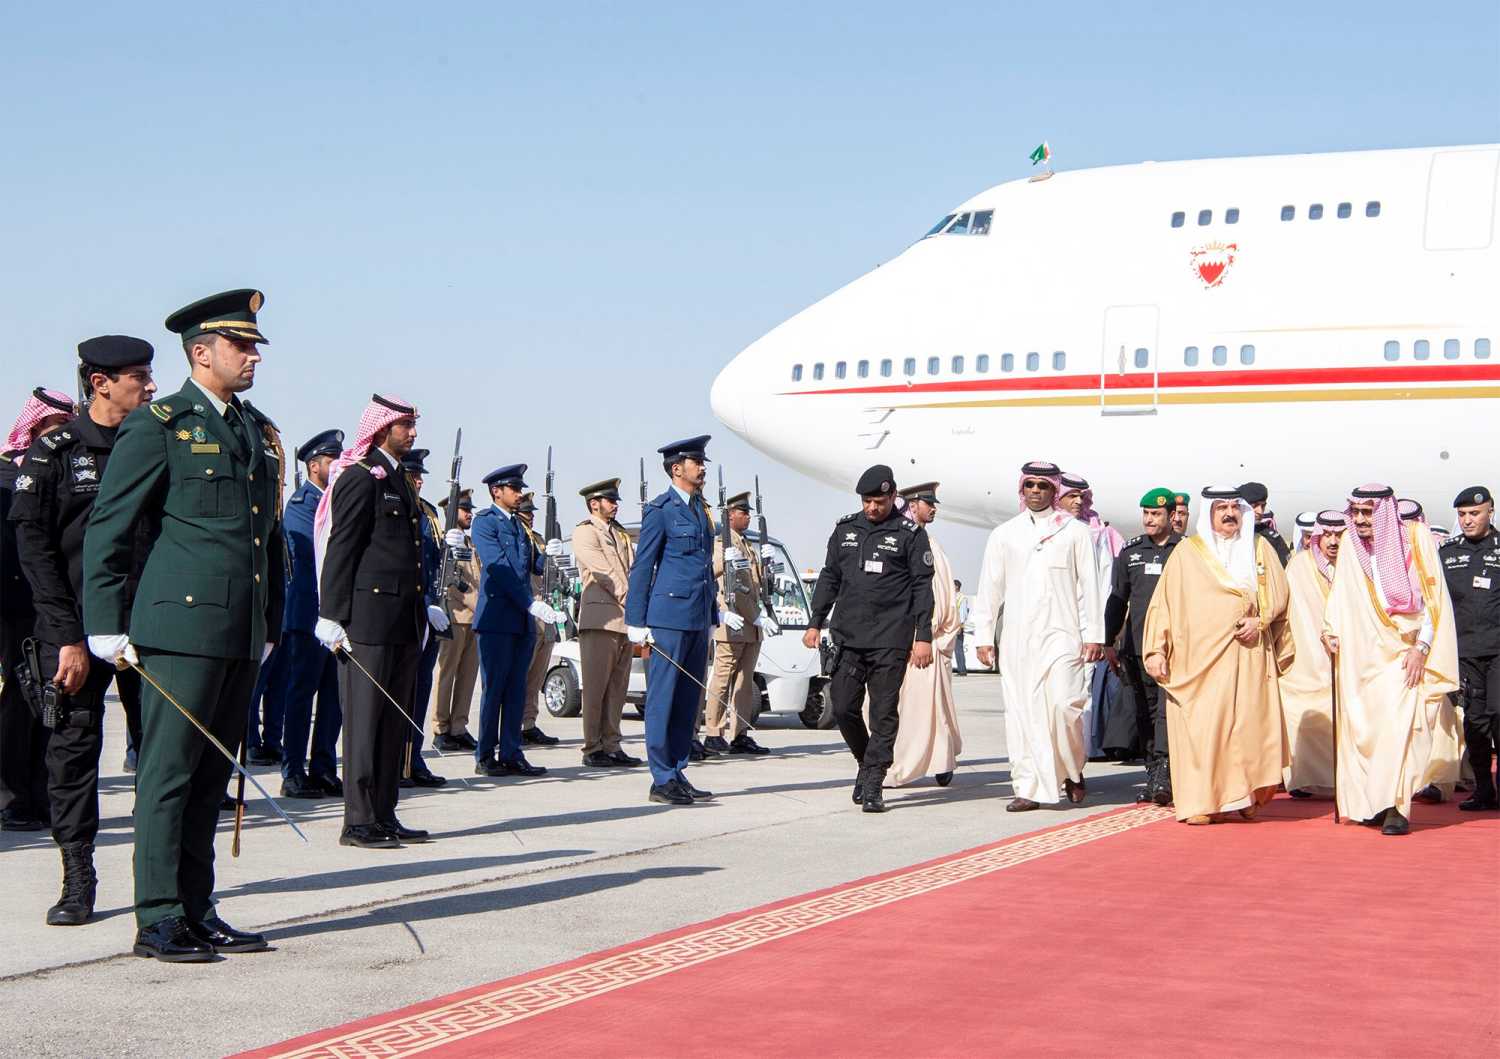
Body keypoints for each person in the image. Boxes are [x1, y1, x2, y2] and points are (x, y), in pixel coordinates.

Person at [83, 288, 283, 960]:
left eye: (253, 345)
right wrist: (104, 622)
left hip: (238, 630)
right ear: (201, 352)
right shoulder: (160, 423)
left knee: (209, 780)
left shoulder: (253, 429)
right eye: (240, 344)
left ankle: (198, 908)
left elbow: (265, 538)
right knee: (168, 776)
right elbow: (109, 526)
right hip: (180, 629)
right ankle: (158, 915)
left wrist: (271, 620)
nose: (253, 355)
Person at [9, 339, 155, 924]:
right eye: (138, 376)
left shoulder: (155, 443)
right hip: (73, 630)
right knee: (72, 755)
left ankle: (160, 879)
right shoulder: (56, 451)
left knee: (160, 756)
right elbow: (35, 550)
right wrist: (67, 635)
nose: (150, 386)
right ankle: (77, 878)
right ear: (101, 383)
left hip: (144, 628)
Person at [315, 393, 431, 849]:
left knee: (391, 724)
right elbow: (341, 548)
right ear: (382, 429)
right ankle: (358, 821)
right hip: (366, 621)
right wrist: (331, 615)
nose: (413, 433)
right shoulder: (361, 477)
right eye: (406, 426)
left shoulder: (397, 478)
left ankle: (384, 812)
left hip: (401, 619)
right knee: (364, 725)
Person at [1142, 487, 1293, 825]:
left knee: (1248, 728)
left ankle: (1246, 794)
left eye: (1234, 507)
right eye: (1221, 507)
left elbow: (1280, 595)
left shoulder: (1259, 548)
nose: (1229, 513)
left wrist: (1260, 620)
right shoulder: (1187, 554)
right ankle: (1202, 801)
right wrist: (1155, 649)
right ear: (1209, 513)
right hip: (1197, 661)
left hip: (1248, 656)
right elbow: (1163, 605)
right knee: (1203, 731)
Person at [1323, 485, 1459, 834]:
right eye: (1355, 513)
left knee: (1400, 730)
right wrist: (1330, 630)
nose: (1360, 520)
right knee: (1365, 730)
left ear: (1383, 512)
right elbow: (1340, 597)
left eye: (1367, 513)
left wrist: (1422, 647)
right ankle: (1374, 803)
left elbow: (1433, 598)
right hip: (1362, 657)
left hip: (1404, 652)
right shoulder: (1351, 546)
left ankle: (1398, 806)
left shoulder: (1414, 538)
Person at [972, 461, 1103, 812]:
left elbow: (1090, 587)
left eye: (1042, 486)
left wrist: (1094, 635)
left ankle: (1072, 768)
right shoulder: (1005, 534)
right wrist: (984, 635)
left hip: (1064, 634)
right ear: (1022, 488)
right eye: (1029, 485)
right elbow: (990, 589)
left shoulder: (1075, 531)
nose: (1035, 491)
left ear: (1054, 490)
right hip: (1018, 638)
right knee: (1021, 713)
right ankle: (1027, 786)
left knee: (1064, 705)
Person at [805, 464, 934, 812]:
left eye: (879, 501)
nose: (872, 508)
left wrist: (923, 636)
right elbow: (830, 577)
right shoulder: (845, 529)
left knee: (882, 712)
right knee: (843, 706)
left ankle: (875, 781)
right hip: (848, 635)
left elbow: (922, 588)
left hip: (891, 637)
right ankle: (867, 761)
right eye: (867, 501)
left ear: (893, 497)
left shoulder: (910, 534)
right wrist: (815, 622)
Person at [626, 436, 722, 806]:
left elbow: (703, 566)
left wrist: (712, 613)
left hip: (697, 616)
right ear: (676, 468)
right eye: (696, 462)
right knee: (662, 699)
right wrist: (636, 620)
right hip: (667, 618)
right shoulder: (660, 510)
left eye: (703, 462)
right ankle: (661, 778)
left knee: (687, 700)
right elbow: (643, 566)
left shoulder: (701, 509)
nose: (703, 467)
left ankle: (678, 771)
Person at [1, 386, 75, 832]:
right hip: (12, 609)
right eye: (57, 425)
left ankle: (42, 794)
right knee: (17, 701)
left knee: (50, 702)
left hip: (52, 608)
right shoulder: (5, 478)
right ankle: (13, 797)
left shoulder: (61, 473)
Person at [470, 465, 563, 779]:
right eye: (514, 488)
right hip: (497, 619)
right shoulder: (485, 522)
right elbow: (498, 567)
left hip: (521, 621)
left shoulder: (519, 527)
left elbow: (532, 567)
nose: (519, 493)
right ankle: (485, 755)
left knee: (516, 690)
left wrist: (549, 555)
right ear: (497, 491)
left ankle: (511, 753)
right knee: (494, 689)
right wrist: (530, 603)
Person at [1102, 488, 1181, 804]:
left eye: (1156, 514)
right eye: (1146, 513)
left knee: (1166, 712)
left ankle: (1167, 774)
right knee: (1144, 713)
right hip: (1137, 648)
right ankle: (1153, 773)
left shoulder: (1185, 551)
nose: (1149, 519)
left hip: (1173, 649)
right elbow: (1117, 599)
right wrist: (1109, 641)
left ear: (1171, 516)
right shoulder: (1131, 552)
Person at [277, 429, 344, 798]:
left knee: (334, 697)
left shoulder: (338, 502)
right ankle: (292, 771)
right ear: (314, 465)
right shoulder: (302, 504)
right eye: (331, 460)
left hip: (336, 616)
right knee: (301, 696)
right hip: (308, 617)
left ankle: (323, 767)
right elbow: (317, 554)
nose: (338, 465)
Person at [887, 483, 961, 787]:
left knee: (935, 707)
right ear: (913, 505)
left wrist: (936, 634)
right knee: (911, 708)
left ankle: (942, 761)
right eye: (928, 503)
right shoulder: (901, 540)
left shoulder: (931, 542)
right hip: (911, 638)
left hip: (934, 638)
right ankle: (902, 765)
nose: (934, 508)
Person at [571, 478, 643, 768]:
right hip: (601, 620)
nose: (615, 505)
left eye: (615, 501)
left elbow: (633, 570)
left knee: (617, 689)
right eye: (610, 501)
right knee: (596, 688)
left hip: (624, 620)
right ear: (594, 504)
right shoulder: (585, 532)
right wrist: (633, 603)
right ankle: (592, 748)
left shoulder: (620, 534)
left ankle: (612, 745)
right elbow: (605, 574)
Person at [703, 490, 778, 756]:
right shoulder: (722, 543)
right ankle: (713, 732)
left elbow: (755, 583)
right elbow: (716, 573)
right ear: (730, 515)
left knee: (745, 682)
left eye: (748, 512)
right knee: (723, 680)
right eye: (743, 512)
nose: (747, 517)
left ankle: (739, 733)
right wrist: (724, 560)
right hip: (733, 621)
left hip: (751, 624)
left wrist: (768, 563)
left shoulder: (746, 544)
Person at [1278, 511, 1346, 798]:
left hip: (1349, 657)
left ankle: (1346, 780)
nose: (1333, 542)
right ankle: (1305, 779)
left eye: (1339, 535)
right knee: (1297, 702)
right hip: (1307, 659)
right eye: (1326, 535)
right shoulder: (1299, 566)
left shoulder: (1356, 565)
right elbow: (1291, 614)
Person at [1442, 486, 1500, 811]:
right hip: (1464, 653)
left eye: (1474, 513)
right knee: (1475, 722)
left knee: (1499, 715)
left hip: (1498, 650)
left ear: (1490, 511)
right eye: (1462, 514)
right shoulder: (1448, 553)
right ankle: (1483, 790)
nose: (1467, 520)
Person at [1060, 471, 1124, 759]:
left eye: (1081, 497)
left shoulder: (1097, 534)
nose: (1078, 502)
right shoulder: (1037, 531)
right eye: (1071, 496)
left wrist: (1100, 634)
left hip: (1086, 628)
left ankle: (1076, 763)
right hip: (1051, 626)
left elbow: (1105, 587)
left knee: (1080, 697)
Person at [398, 448, 447, 789]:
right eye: (412, 475)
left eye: (419, 476)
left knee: (421, 689)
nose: (418, 481)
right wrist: (425, 601)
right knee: (401, 692)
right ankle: (396, 763)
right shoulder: (397, 507)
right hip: (407, 611)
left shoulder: (428, 512)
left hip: (431, 613)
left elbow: (434, 564)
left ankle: (413, 758)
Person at [431, 490, 480, 753]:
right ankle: (440, 728)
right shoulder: (444, 541)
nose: (469, 514)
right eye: (464, 509)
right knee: (446, 674)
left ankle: (459, 727)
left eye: (470, 509)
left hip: (474, 619)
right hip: (454, 616)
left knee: (468, 676)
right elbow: (448, 581)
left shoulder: (470, 543)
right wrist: (478, 605)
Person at [515, 491, 561, 747]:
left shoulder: (539, 539)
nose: (530, 517)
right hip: (529, 610)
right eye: (526, 512)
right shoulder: (518, 537)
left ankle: (528, 723)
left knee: (536, 676)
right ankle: (512, 724)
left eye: (532, 513)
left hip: (547, 612)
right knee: (521, 674)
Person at [1238, 481, 1291, 566]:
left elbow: (1285, 566)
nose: (1260, 511)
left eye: (1263, 506)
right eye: (1254, 506)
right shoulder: (1228, 535)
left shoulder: (1271, 537)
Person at [953, 580, 969, 677]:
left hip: (958, 626)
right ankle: (961, 669)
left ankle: (962, 670)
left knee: (958, 648)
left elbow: (963, 614)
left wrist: (960, 626)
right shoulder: (954, 597)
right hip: (953, 626)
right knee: (956, 649)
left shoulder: (962, 598)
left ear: (956, 586)